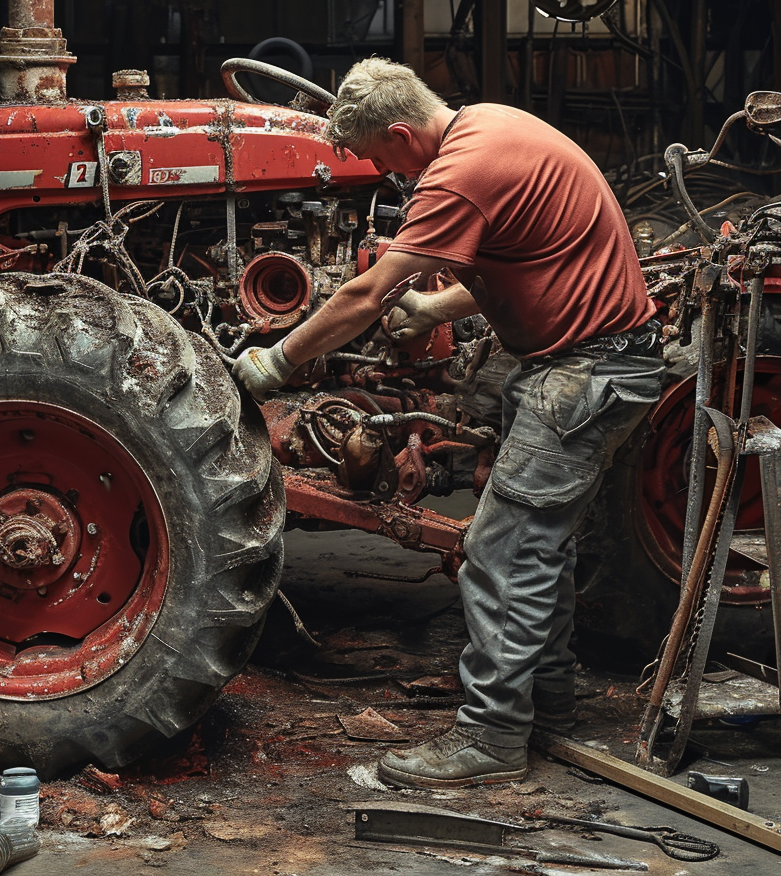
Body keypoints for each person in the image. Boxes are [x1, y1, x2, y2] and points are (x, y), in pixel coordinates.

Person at [233, 57, 666, 789]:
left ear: (402, 132)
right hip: (587, 361)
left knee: (498, 553)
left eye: (377, 155)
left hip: (588, 372)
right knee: (538, 548)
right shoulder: (489, 128)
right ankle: (545, 707)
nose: (381, 169)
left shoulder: (461, 170)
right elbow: (527, 257)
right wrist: (434, 309)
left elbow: (370, 291)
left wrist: (274, 364)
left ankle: (490, 740)